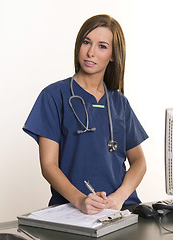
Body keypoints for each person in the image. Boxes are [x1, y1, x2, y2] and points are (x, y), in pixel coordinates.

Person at [23, 14, 148, 215]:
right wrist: (80, 200)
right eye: (86, 42)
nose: (91, 52)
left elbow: (139, 162)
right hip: (71, 210)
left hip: (120, 210)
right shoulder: (54, 96)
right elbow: (48, 165)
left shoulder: (119, 103)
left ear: (114, 55)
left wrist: (119, 197)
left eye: (102, 46)